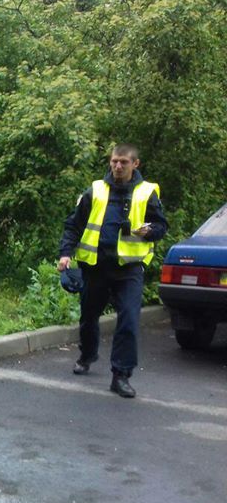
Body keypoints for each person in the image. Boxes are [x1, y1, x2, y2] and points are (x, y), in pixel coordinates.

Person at [57, 143, 168, 398]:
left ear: (135, 164)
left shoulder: (146, 192)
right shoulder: (95, 190)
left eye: (123, 162)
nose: (118, 166)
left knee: (128, 320)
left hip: (129, 269)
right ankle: (87, 354)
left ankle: (121, 376)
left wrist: (150, 230)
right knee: (88, 317)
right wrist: (65, 253)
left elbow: (161, 226)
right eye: (114, 161)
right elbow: (73, 225)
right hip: (96, 267)